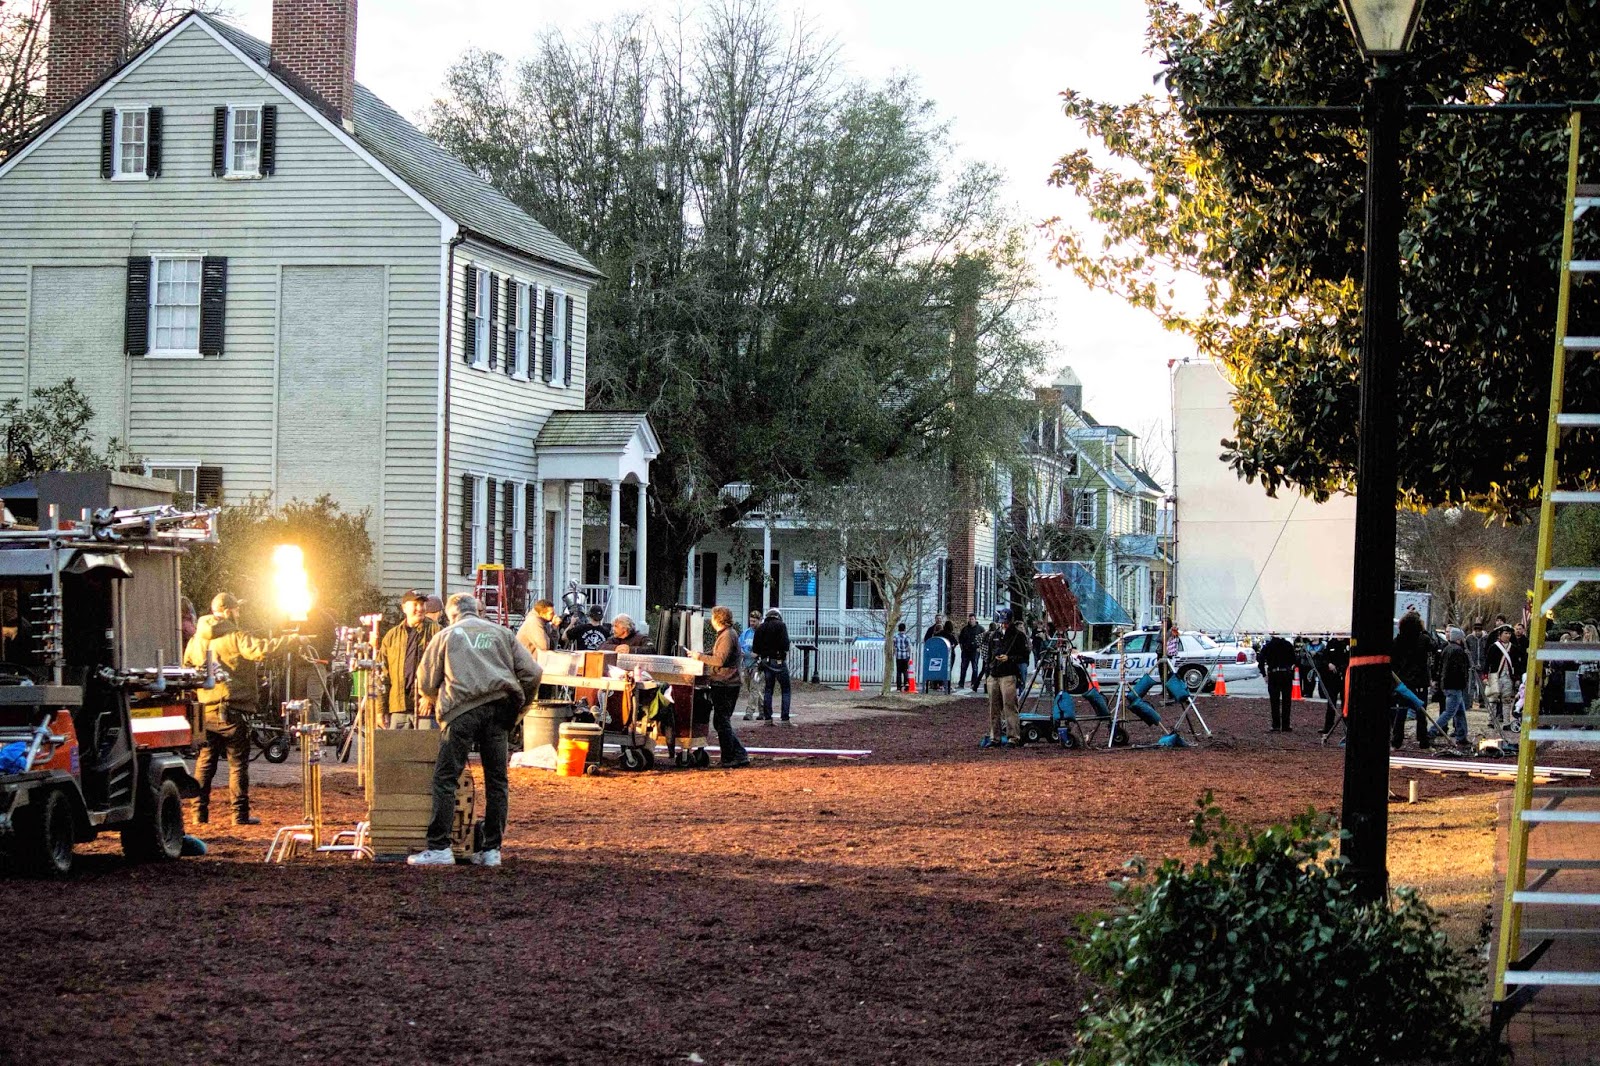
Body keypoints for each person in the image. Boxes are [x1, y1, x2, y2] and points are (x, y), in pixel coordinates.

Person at [408, 594, 540, 868]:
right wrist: (521, 707)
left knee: (446, 777)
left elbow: (425, 680)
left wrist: (436, 699)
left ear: (450, 614)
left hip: (460, 710)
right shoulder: (502, 634)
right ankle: (491, 850)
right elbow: (533, 672)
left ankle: (439, 847)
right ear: (478, 611)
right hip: (500, 709)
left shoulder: (446, 635)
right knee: (497, 781)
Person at [182, 592, 308, 825]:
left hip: (206, 709)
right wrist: (292, 640)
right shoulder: (236, 635)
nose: (239, 613)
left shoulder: (196, 639)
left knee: (205, 761)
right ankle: (239, 816)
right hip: (234, 709)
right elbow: (262, 649)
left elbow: (187, 666)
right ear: (228, 610)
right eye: (237, 609)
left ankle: (198, 814)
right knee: (237, 763)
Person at [693, 606, 749, 768]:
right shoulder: (728, 634)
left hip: (725, 683)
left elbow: (720, 660)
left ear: (718, 619)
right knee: (721, 721)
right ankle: (737, 754)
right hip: (727, 682)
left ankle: (731, 756)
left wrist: (700, 657)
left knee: (722, 721)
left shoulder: (726, 636)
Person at [379, 589, 443, 729]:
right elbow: (382, 675)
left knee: (427, 750)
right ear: (404, 608)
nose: (420, 608)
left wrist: (430, 697)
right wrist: (380, 710)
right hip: (399, 707)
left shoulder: (437, 632)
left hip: (427, 709)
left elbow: (447, 670)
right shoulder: (391, 636)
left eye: (422, 604)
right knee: (399, 750)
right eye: (415, 604)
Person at [981, 607, 1029, 747]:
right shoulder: (994, 635)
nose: (1004, 625)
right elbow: (989, 654)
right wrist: (989, 669)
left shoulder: (1018, 636)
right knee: (993, 708)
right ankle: (994, 737)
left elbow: (1024, 656)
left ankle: (1013, 737)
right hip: (994, 674)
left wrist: (1009, 658)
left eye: (1006, 622)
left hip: (1009, 674)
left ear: (1011, 621)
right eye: (1002, 622)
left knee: (1010, 707)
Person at [1391, 611, 1433, 749]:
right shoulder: (1423, 639)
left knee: (1401, 711)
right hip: (1420, 680)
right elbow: (1435, 646)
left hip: (1403, 680)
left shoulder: (1398, 640)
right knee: (1421, 711)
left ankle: (1397, 739)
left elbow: (1393, 660)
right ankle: (1423, 739)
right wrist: (1425, 631)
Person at [1430, 626, 1471, 747]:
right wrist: (1464, 682)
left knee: (1460, 711)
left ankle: (1461, 735)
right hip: (1455, 685)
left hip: (1448, 685)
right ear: (1459, 638)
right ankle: (1431, 732)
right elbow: (1459, 670)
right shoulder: (1458, 651)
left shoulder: (1447, 649)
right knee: (1450, 712)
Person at [753, 607, 792, 723]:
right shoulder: (781, 625)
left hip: (765, 661)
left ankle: (768, 719)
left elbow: (755, 648)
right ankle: (785, 719)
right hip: (779, 661)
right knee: (786, 689)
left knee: (768, 689)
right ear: (778, 616)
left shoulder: (760, 627)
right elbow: (786, 645)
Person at [1257, 632, 1297, 733]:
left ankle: (1276, 725)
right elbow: (1295, 660)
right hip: (1286, 674)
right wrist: (1290, 669)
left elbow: (1260, 660)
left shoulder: (1268, 646)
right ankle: (1285, 725)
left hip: (1273, 674)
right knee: (1286, 700)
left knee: (1274, 701)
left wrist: (1264, 674)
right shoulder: (1288, 645)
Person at [1486, 625, 1519, 733]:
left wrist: (1517, 677)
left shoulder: (1513, 648)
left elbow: (1516, 663)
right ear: (1500, 635)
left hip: (1508, 677)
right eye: (1506, 633)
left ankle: (1506, 722)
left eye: (1509, 634)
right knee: (1493, 700)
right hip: (1495, 676)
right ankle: (1491, 720)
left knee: (1507, 700)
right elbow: (1488, 662)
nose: (1508, 635)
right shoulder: (1494, 647)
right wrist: (1485, 676)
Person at [739, 609, 761, 719]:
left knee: (754, 688)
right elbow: (739, 645)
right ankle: (763, 710)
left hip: (757, 665)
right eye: (751, 621)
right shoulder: (746, 633)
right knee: (751, 688)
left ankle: (749, 712)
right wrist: (741, 651)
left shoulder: (761, 633)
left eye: (754, 621)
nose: (752, 623)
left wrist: (757, 654)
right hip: (746, 665)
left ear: (759, 621)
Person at [1464, 620, 1489, 709]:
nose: (1477, 632)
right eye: (1476, 630)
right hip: (1472, 665)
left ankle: (1482, 702)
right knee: (1471, 684)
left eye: (1479, 630)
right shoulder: (1469, 638)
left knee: (1483, 684)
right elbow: (1466, 651)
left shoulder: (1486, 638)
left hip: (1482, 664)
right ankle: (1469, 702)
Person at [957, 613, 983, 692]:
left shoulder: (980, 629)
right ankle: (961, 683)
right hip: (965, 650)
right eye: (970, 619)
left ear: (975, 619)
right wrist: (962, 647)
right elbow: (960, 639)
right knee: (963, 667)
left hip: (975, 650)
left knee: (974, 667)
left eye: (972, 619)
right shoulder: (965, 629)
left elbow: (984, 639)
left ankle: (974, 683)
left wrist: (979, 647)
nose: (971, 620)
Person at [937, 619, 957, 695]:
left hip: (941, 653)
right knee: (948, 670)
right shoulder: (951, 635)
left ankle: (940, 685)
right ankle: (947, 685)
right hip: (950, 654)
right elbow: (955, 643)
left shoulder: (940, 634)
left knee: (941, 669)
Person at [892, 622, 912, 692]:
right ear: (905, 629)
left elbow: (894, 647)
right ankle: (906, 685)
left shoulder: (895, 637)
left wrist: (893, 654)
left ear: (898, 629)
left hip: (898, 656)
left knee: (899, 672)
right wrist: (909, 655)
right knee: (905, 671)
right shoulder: (907, 637)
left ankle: (898, 687)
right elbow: (909, 647)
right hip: (905, 656)